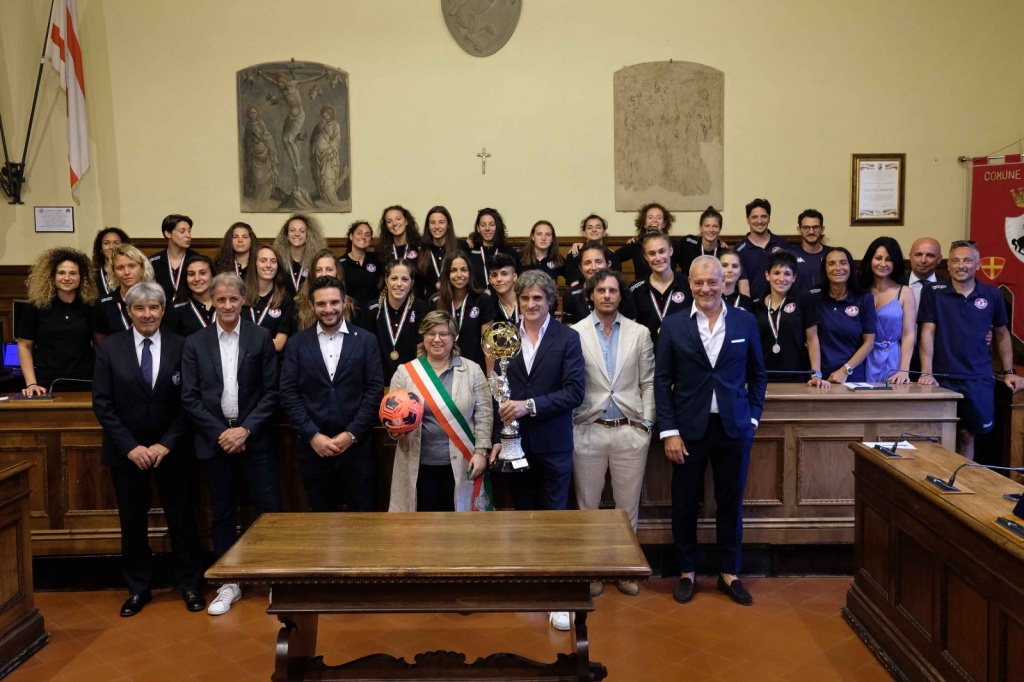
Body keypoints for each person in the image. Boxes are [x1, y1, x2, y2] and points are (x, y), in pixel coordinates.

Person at [655, 255, 767, 607]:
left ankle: (729, 573)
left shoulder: (745, 321)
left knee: (731, 503)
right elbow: (662, 381)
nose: (706, 288)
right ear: (688, 284)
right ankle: (687, 572)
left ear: (725, 282)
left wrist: (752, 419)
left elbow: (758, 375)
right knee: (685, 503)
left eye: (713, 281)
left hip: (734, 429)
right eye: (699, 282)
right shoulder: (673, 325)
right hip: (687, 431)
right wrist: (669, 431)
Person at [91, 281, 204, 617]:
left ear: (163, 309)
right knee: (132, 522)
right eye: (139, 308)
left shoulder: (181, 345)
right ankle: (138, 589)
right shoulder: (110, 348)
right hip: (127, 453)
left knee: (183, 519)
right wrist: (132, 447)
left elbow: (190, 402)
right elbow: (103, 404)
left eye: (153, 307)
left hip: (173, 449)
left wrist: (166, 443)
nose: (147, 314)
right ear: (129, 311)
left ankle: (190, 584)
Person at [181, 273, 281, 616]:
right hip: (214, 442)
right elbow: (190, 398)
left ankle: (273, 580)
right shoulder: (194, 342)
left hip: (255, 439)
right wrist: (221, 433)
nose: (227, 305)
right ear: (212, 301)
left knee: (268, 513)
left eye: (233, 299)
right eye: (220, 300)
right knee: (222, 513)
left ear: (243, 301)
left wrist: (245, 430)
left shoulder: (260, 336)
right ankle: (229, 582)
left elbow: (272, 393)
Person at [490, 270, 584, 632]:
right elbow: (500, 389)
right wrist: (500, 404)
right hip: (515, 442)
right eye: (525, 298)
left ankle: (559, 598)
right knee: (525, 516)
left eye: (538, 299)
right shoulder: (505, 337)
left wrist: (527, 405)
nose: (531, 305)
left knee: (555, 520)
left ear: (550, 302)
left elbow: (575, 392)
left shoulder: (567, 338)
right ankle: (531, 589)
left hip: (553, 444)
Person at [571, 269, 654, 597]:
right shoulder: (574, 333)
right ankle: (592, 571)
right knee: (587, 506)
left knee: (626, 508)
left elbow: (648, 382)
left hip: (629, 431)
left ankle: (624, 569)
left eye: (613, 290)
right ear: (590, 295)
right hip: (588, 429)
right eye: (601, 290)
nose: (607, 295)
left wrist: (646, 425)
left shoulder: (639, 333)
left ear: (621, 295)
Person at [280, 276, 384, 511]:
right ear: (311, 305)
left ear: (345, 301)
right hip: (313, 448)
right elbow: (288, 392)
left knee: (363, 519)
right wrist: (312, 435)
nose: (328, 309)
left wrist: (352, 434)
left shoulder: (366, 341)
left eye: (334, 302)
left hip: (357, 448)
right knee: (320, 519)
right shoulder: (297, 343)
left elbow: (374, 390)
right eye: (321, 304)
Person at [918, 240, 1023, 459]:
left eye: (967, 260)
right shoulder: (933, 292)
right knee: (936, 436)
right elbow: (927, 332)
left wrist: (1009, 372)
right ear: (948, 265)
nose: (960, 265)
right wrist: (926, 372)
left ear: (978, 265)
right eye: (955, 260)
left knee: (968, 435)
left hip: (978, 378)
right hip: (941, 377)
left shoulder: (992, 295)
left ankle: (962, 484)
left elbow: (1002, 335)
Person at [388, 311, 493, 512]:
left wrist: (481, 452)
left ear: (454, 337)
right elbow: (391, 418)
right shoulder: (405, 372)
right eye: (430, 333)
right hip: (418, 464)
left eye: (444, 334)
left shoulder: (472, 370)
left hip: (463, 463)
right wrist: (395, 429)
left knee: (458, 528)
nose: (437, 339)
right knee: (421, 528)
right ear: (423, 336)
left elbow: (484, 415)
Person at [18, 247, 97, 396]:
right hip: (46, 384)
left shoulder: (91, 305)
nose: (67, 278)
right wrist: (31, 383)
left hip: (86, 382)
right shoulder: (36, 306)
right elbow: (24, 346)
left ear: (82, 277)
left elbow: (100, 344)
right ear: (52, 276)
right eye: (61, 273)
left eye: (73, 273)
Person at [753, 251, 827, 386]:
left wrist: (816, 374)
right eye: (776, 273)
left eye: (787, 274)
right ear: (767, 275)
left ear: (794, 277)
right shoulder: (757, 305)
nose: (782, 278)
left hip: (796, 375)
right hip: (762, 376)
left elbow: (812, 339)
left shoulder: (803, 299)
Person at [812, 247, 877, 383]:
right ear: (824, 269)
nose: (838, 268)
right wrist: (816, 374)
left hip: (852, 375)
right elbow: (810, 339)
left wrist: (844, 370)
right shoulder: (814, 298)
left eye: (843, 262)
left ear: (850, 267)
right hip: (818, 377)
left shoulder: (864, 298)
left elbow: (869, 343)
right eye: (831, 263)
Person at [360, 259, 428, 386]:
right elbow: (366, 351)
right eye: (394, 278)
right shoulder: (372, 309)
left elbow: (422, 349)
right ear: (386, 280)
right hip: (379, 381)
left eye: (405, 279)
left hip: (411, 382)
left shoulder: (419, 308)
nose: (399, 284)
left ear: (412, 282)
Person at [859, 237, 916, 384]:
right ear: (870, 259)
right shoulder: (858, 290)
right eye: (878, 258)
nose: (883, 264)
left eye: (889, 259)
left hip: (893, 358)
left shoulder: (904, 292)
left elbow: (908, 334)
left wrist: (904, 370)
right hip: (861, 356)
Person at [430, 252, 495, 369]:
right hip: (443, 369)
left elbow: (488, 342)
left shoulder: (483, 300)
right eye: (453, 270)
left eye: (464, 270)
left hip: (475, 369)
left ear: (470, 272)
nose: (459, 275)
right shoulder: (436, 302)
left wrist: (490, 376)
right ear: (447, 274)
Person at [630, 231, 689, 348]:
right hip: (647, 356)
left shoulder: (689, 285)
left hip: (682, 356)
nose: (658, 258)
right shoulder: (635, 289)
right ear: (645, 256)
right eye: (652, 253)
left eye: (662, 251)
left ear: (670, 251)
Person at [562, 242, 637, 325]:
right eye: (587, 263)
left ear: (608, 264)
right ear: (580, 268)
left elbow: (631, 327)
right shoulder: (571, 295)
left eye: (598, 262)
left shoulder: (624, 292)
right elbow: (570, 330)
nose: (593, 267)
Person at [94, 244, 156, 341]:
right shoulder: (104, 304)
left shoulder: (156, 300)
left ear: (142, 267)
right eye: (120, 268)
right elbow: (100, 342)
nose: (127, 272)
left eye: (132, 266)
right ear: (113, 272)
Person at [734, 198, 789, 302]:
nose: (759, 221)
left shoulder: (783, 244)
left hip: (782, 305)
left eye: (763, 216)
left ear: (769, 218)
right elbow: (742, 284)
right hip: (754, 307)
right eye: (754, 217)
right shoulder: (739, 249)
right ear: (747, 220)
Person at [244, 244, 294, 352]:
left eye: (273, 261)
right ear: (254, 264)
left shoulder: (285, 300)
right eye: (263, 260)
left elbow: (279, 344)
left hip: (272, 364)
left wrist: (248, 345)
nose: (268, 265)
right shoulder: (240, 297)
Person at [294, 249, 352, 331]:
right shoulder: (298, 305)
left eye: (329, 269)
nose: (323, 274)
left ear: (337, 272)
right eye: (319, 270)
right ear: (313, 274)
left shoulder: (351, 307)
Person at [616, 202, 675, 282]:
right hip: (641, 292)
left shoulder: (674, 245)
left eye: (659, 218)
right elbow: (614, 257)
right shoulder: (635, 244)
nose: (654, 220)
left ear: (664, 224)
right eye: (650, 217)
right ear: (644, 223)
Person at [273, 214, 328, 298]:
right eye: (292, 230)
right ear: (286, 234)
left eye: (302, 231)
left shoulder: (316, 261)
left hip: (309, 307)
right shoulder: (277, 260)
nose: (297, 234)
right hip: (284, 307)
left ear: (308, 235)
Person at [465, 207, 518, 290]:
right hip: (475, 298)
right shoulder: (470, 248)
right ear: (478, 228)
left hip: (501, 298)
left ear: (497, 227)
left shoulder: (507, 251)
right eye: (483, 225)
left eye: (491, 225)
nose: (487, 229)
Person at [165, 254, 218, 337]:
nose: (197, 279)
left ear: (213, 276)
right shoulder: (175, 311)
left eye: (202, 273)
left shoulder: (224, 305)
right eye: (191, 274)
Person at [416, 206, 464, 297]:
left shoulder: (460, 247)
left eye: (441, 222)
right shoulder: (421, 249)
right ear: (428, 226)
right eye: (432, 223)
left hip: (455, 300)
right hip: (428, 304)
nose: (437, 226)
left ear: (448, 225)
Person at [149, 214, 198, 302]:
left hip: (189, 311)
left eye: (189, 231)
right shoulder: (153, 262)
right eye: (182, 231)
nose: (188, 235)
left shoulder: (198, 260)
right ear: (168, 233)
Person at [563, 214, 619, 287]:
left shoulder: (611, 255)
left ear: (604, 232)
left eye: (598, 227)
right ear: (584, 233)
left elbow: (615, 282)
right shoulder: (574, 253)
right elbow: (573, 284)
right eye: (589, 228)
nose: (594, 230)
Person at [339, 220, 383, 309]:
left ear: (370, 240)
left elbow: (381, 281)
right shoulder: (340, 262)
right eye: (359, 233)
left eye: (367, 235)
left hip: (373, 311)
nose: (363, 237)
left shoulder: (376, 259)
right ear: (351, 236)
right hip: (349, 311)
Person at [676, 206, 728, 276]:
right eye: (707, 226)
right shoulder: (687, 244)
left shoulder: (723, 252)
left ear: (720, 229)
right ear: (700, 228)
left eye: (715, 226)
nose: (711, 230)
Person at [242, 105, 278, 202]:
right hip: (253, 152)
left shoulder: (261, 124)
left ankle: (265, 195)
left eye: (254, 113)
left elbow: (266, 134)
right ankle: (257, 195)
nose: (252, 115)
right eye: (251, 113)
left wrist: (260, 136)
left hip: (263, 150)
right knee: (256, 174)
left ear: (257, 114)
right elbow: (246, 139)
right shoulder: (248, 125)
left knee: (265, 174)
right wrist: (251, 139)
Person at [309, 104, 344, 204]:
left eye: (327, 116)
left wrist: (331, 148)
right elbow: (314, 136)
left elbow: (337, 139)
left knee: (328, 176)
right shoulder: (321, 124)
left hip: (329, 154)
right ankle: (324, 197)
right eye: (324, 116)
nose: (325, 118)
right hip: (318, 155)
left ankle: (332, 199)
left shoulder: (335, 125)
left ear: (331, 115)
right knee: (320, 177)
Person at [789, 209, 829, 294]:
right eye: (806, 227)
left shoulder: (832, 254)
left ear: (822, 229)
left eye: (815, 227)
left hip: (825, 305)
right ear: (799, 229)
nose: (811, 231)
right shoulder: (789, 255)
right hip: (797, 304)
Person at [905, 237, 947, 309]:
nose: (923, 260)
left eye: (930, 255)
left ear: (939, 259)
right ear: (910, 257)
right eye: (918, 255)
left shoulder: (948, 287)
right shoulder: (896, 283)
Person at [91, 227, 129, 297]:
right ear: (100, 248)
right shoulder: (93, 273)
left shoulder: (129, 271)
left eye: (116, 243)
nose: (111, 247)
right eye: (106, 243)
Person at [488, 252, 520, 326]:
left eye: (504, 274)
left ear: (514, 277)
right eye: (494, 275)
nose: (499, 279)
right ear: (490, 280)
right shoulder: (488, 308)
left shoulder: (527, 303)